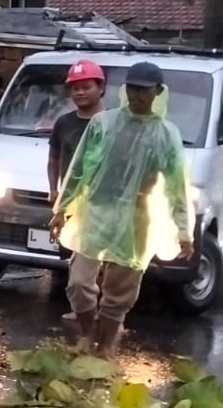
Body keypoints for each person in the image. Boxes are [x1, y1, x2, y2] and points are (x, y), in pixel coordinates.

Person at [51, 61, 193, 355]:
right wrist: (61, 208)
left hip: (137, 220)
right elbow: (78, 168)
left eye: (144, 89)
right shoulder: (103, 124)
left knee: (119, 293)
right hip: (96, 212)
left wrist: (184, 231)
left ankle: (104, 348)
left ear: (158, 92)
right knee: (79, 284)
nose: (137, 95)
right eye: (132, 88)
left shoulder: (166, 134)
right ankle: (87, 335)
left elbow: (177, 186)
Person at [47, 60, 105, 200]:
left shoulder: (113, 122)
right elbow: (53, 158)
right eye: (75, 88)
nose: (80, 92)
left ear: (101, 88)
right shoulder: (63, 122)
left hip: (102, 201)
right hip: (69, 199)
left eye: (86, 87)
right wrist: (53, 190)